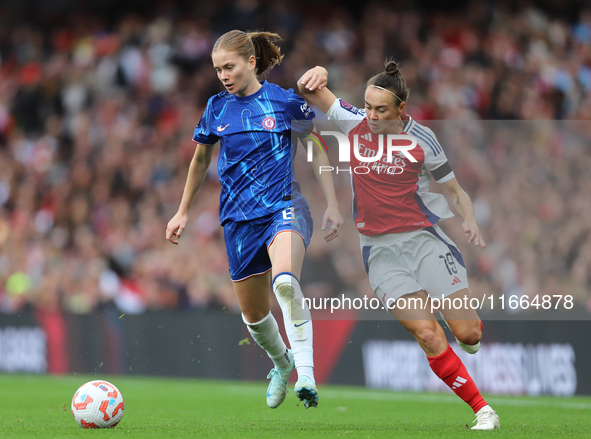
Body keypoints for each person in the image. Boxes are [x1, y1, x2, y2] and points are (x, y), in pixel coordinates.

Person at [296, 61, 501, 429]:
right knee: (427, 333)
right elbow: (307, 89)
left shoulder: (424, 140)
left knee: (469, 334)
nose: (371, 116)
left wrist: (468, 218)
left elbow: (454, 192)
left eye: (380, 110)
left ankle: (468, 339)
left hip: (424, 241)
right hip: (380, 251)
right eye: (368, 106)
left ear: (401, 110)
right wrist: (319, 72)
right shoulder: (352, 121)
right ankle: (483, 410)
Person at [166, 30, 343, 409]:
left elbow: (317, 148)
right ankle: (283, 363)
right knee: (254, 315)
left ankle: (307, 376)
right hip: (238, 219)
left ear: (250, 62)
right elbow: (199, 160)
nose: (223, 75)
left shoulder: (284, 102)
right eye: (217, 70)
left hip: (284, 206)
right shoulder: (216, 108)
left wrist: (332, 202)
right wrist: (182, 211)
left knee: (285, 283)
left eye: (229, 67)